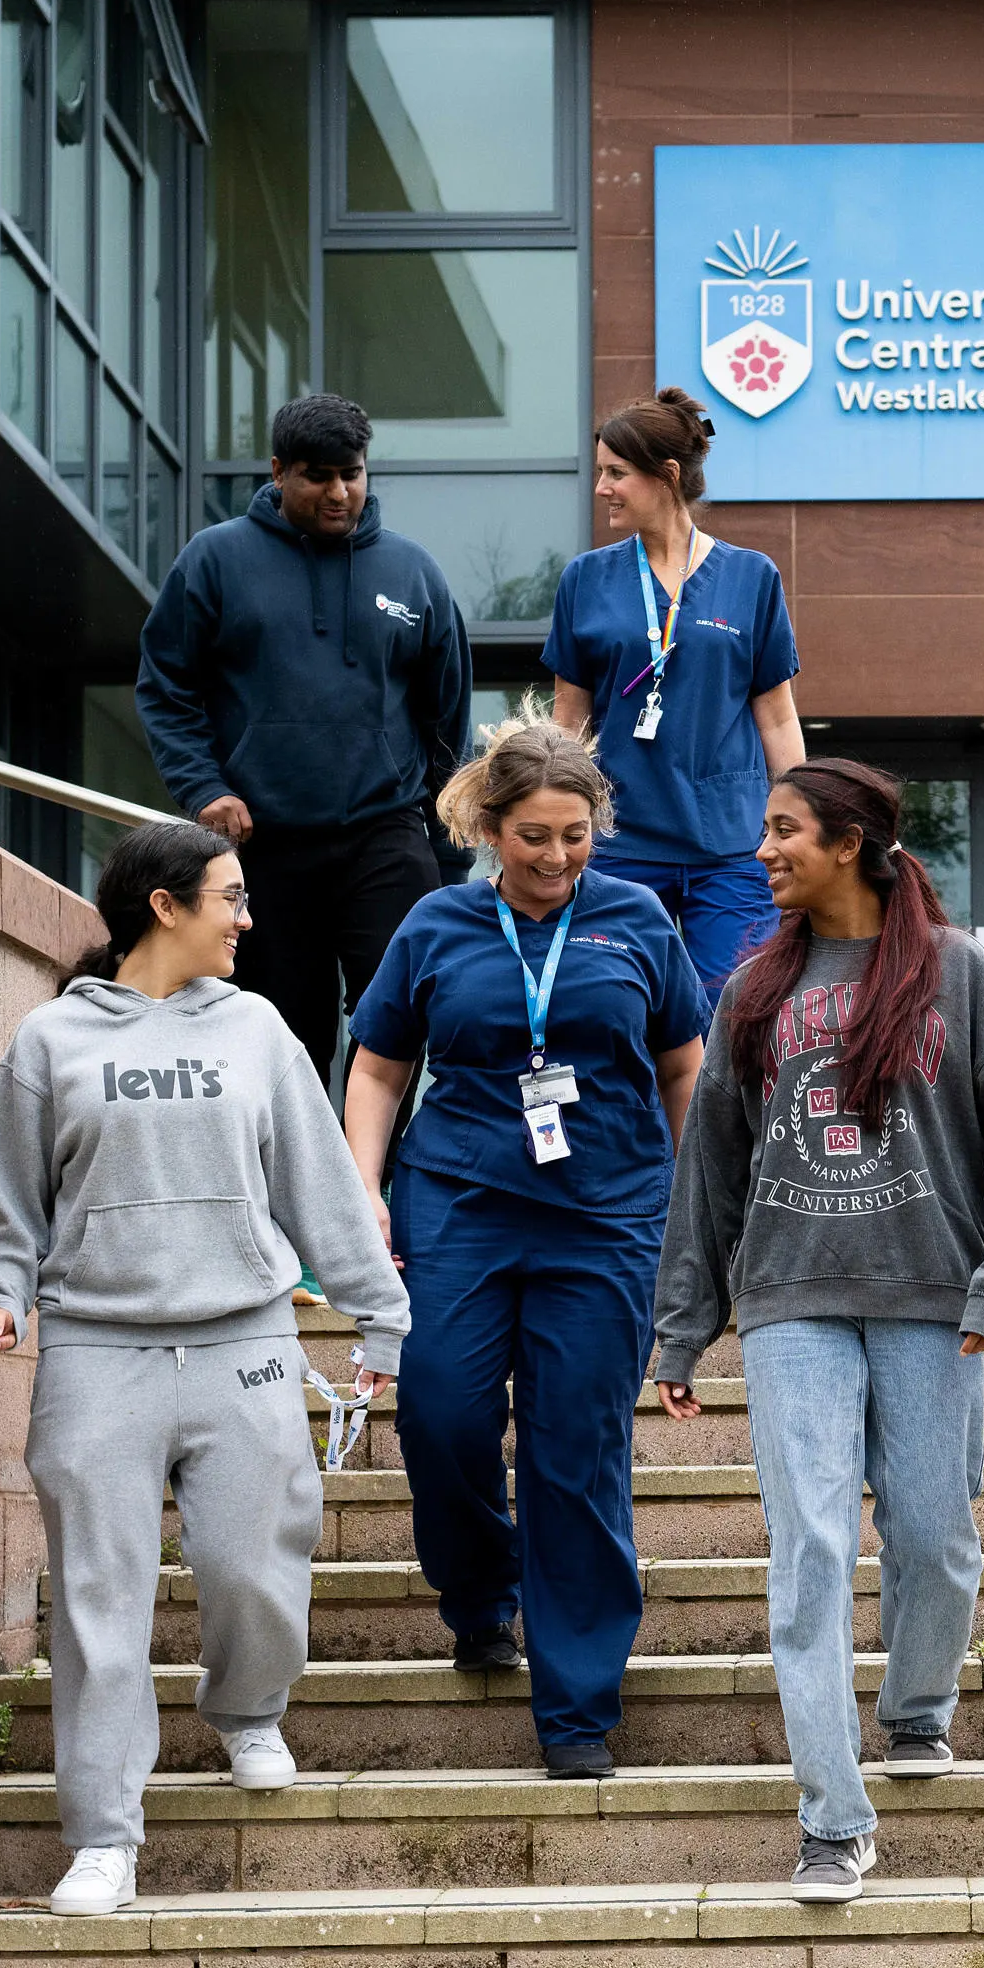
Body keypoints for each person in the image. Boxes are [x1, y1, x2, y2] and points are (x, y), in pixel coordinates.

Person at [0, 820, 411, 1919]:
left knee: (256, 1565)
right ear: (164, 904)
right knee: (100, 1602)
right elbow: (14, 1205)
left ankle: (249, 1706)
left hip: (243, 1336)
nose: (247, 920)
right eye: (230, 898)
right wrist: (2, 1295)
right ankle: (104, 1837)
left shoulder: (258, 1031)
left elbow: (323, 1189)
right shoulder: (51, 1040)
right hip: (96, 1348)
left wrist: (379, 1317)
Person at [652, 759, 984, 1904]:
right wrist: (683, 1328)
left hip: (930, 1294)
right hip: (790, 1297)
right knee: (812, 1551)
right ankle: (832, 1817)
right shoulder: (753, 989)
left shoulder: (958, 975)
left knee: (933, 1536)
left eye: (785, 831)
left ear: (850, 842)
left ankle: (918, 1704)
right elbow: (710, 1169)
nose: (764, 849)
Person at [345, 717, 711, 1780]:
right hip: (459, 1199)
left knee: (576, 1450)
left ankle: (579, 1706)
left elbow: (684, 1066)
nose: (557, 858)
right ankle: (478, 1593)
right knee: (443, 1417)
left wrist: (693, 1208)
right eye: (534, 837)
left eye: (577, 835)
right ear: (488, 828)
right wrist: (363, 1187)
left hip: (607, 1213)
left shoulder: (637, 919)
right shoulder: (436, 924)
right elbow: (377, 1067)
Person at [136, 392, 473, 1079]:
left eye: (351, 473)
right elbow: (165, 688)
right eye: (318, 476)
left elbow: (447, 725)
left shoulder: (414, 574)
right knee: (281, 1031)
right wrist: (204, 787)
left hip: (385, 832)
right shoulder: (215, 561)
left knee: (399, 1016)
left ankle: (366, 1174)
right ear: (279, 471)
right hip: (264, 842)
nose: (338, 491)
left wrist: (450, 854)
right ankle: (293, 1180)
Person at [544, 388, 807, 986]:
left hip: (731, 849)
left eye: (616, 473)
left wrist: (796, 824)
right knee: (623, 1010)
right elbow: (569, 723)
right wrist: (559, 822)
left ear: (665, 475)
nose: (601, 487)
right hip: (621, 845)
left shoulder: (751, 576)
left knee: (736, 1013)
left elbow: (777, 719)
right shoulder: (585, 580)